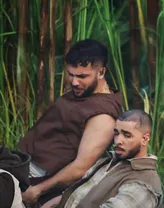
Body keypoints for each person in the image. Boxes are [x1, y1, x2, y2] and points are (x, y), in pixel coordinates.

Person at [17, 40, 123, 205]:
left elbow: (80, 168)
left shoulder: (103, 117)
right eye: (71, 74)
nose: (74, 82)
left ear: (101, 72)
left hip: (36, 179)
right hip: (21, 163)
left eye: (82, 76)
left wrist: (38, 190)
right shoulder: (85, 90)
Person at [40, 110, 162, 208]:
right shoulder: (108, 162)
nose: (118, 141)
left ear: (145, 139)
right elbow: (73, 195)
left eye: (127, 135)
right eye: (116, 133)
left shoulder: (144, 183)